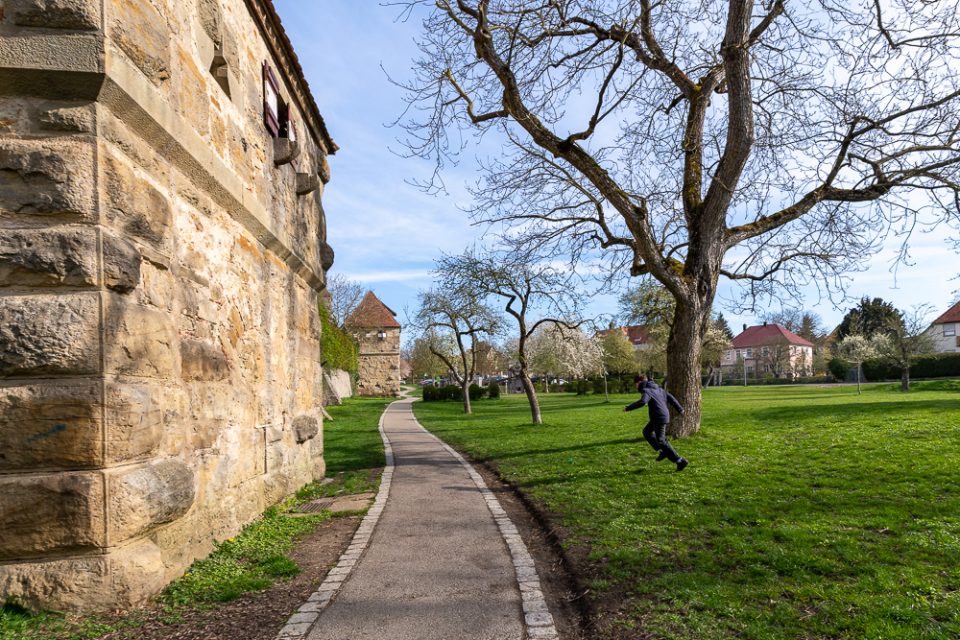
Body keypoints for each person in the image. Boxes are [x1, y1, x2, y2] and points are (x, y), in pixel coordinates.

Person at [623, 374, 689, 471]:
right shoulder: (659, 389)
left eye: (635, 384)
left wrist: (628, 408)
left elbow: (643, 402)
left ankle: (680, 460)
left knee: (661, 440)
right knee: (647, 432)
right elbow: (671, 398)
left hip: (659, 417)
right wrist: (680, 409)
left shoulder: (647, 390)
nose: (636, 387)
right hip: (659, 417)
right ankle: (662, 451)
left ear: (639, 382)